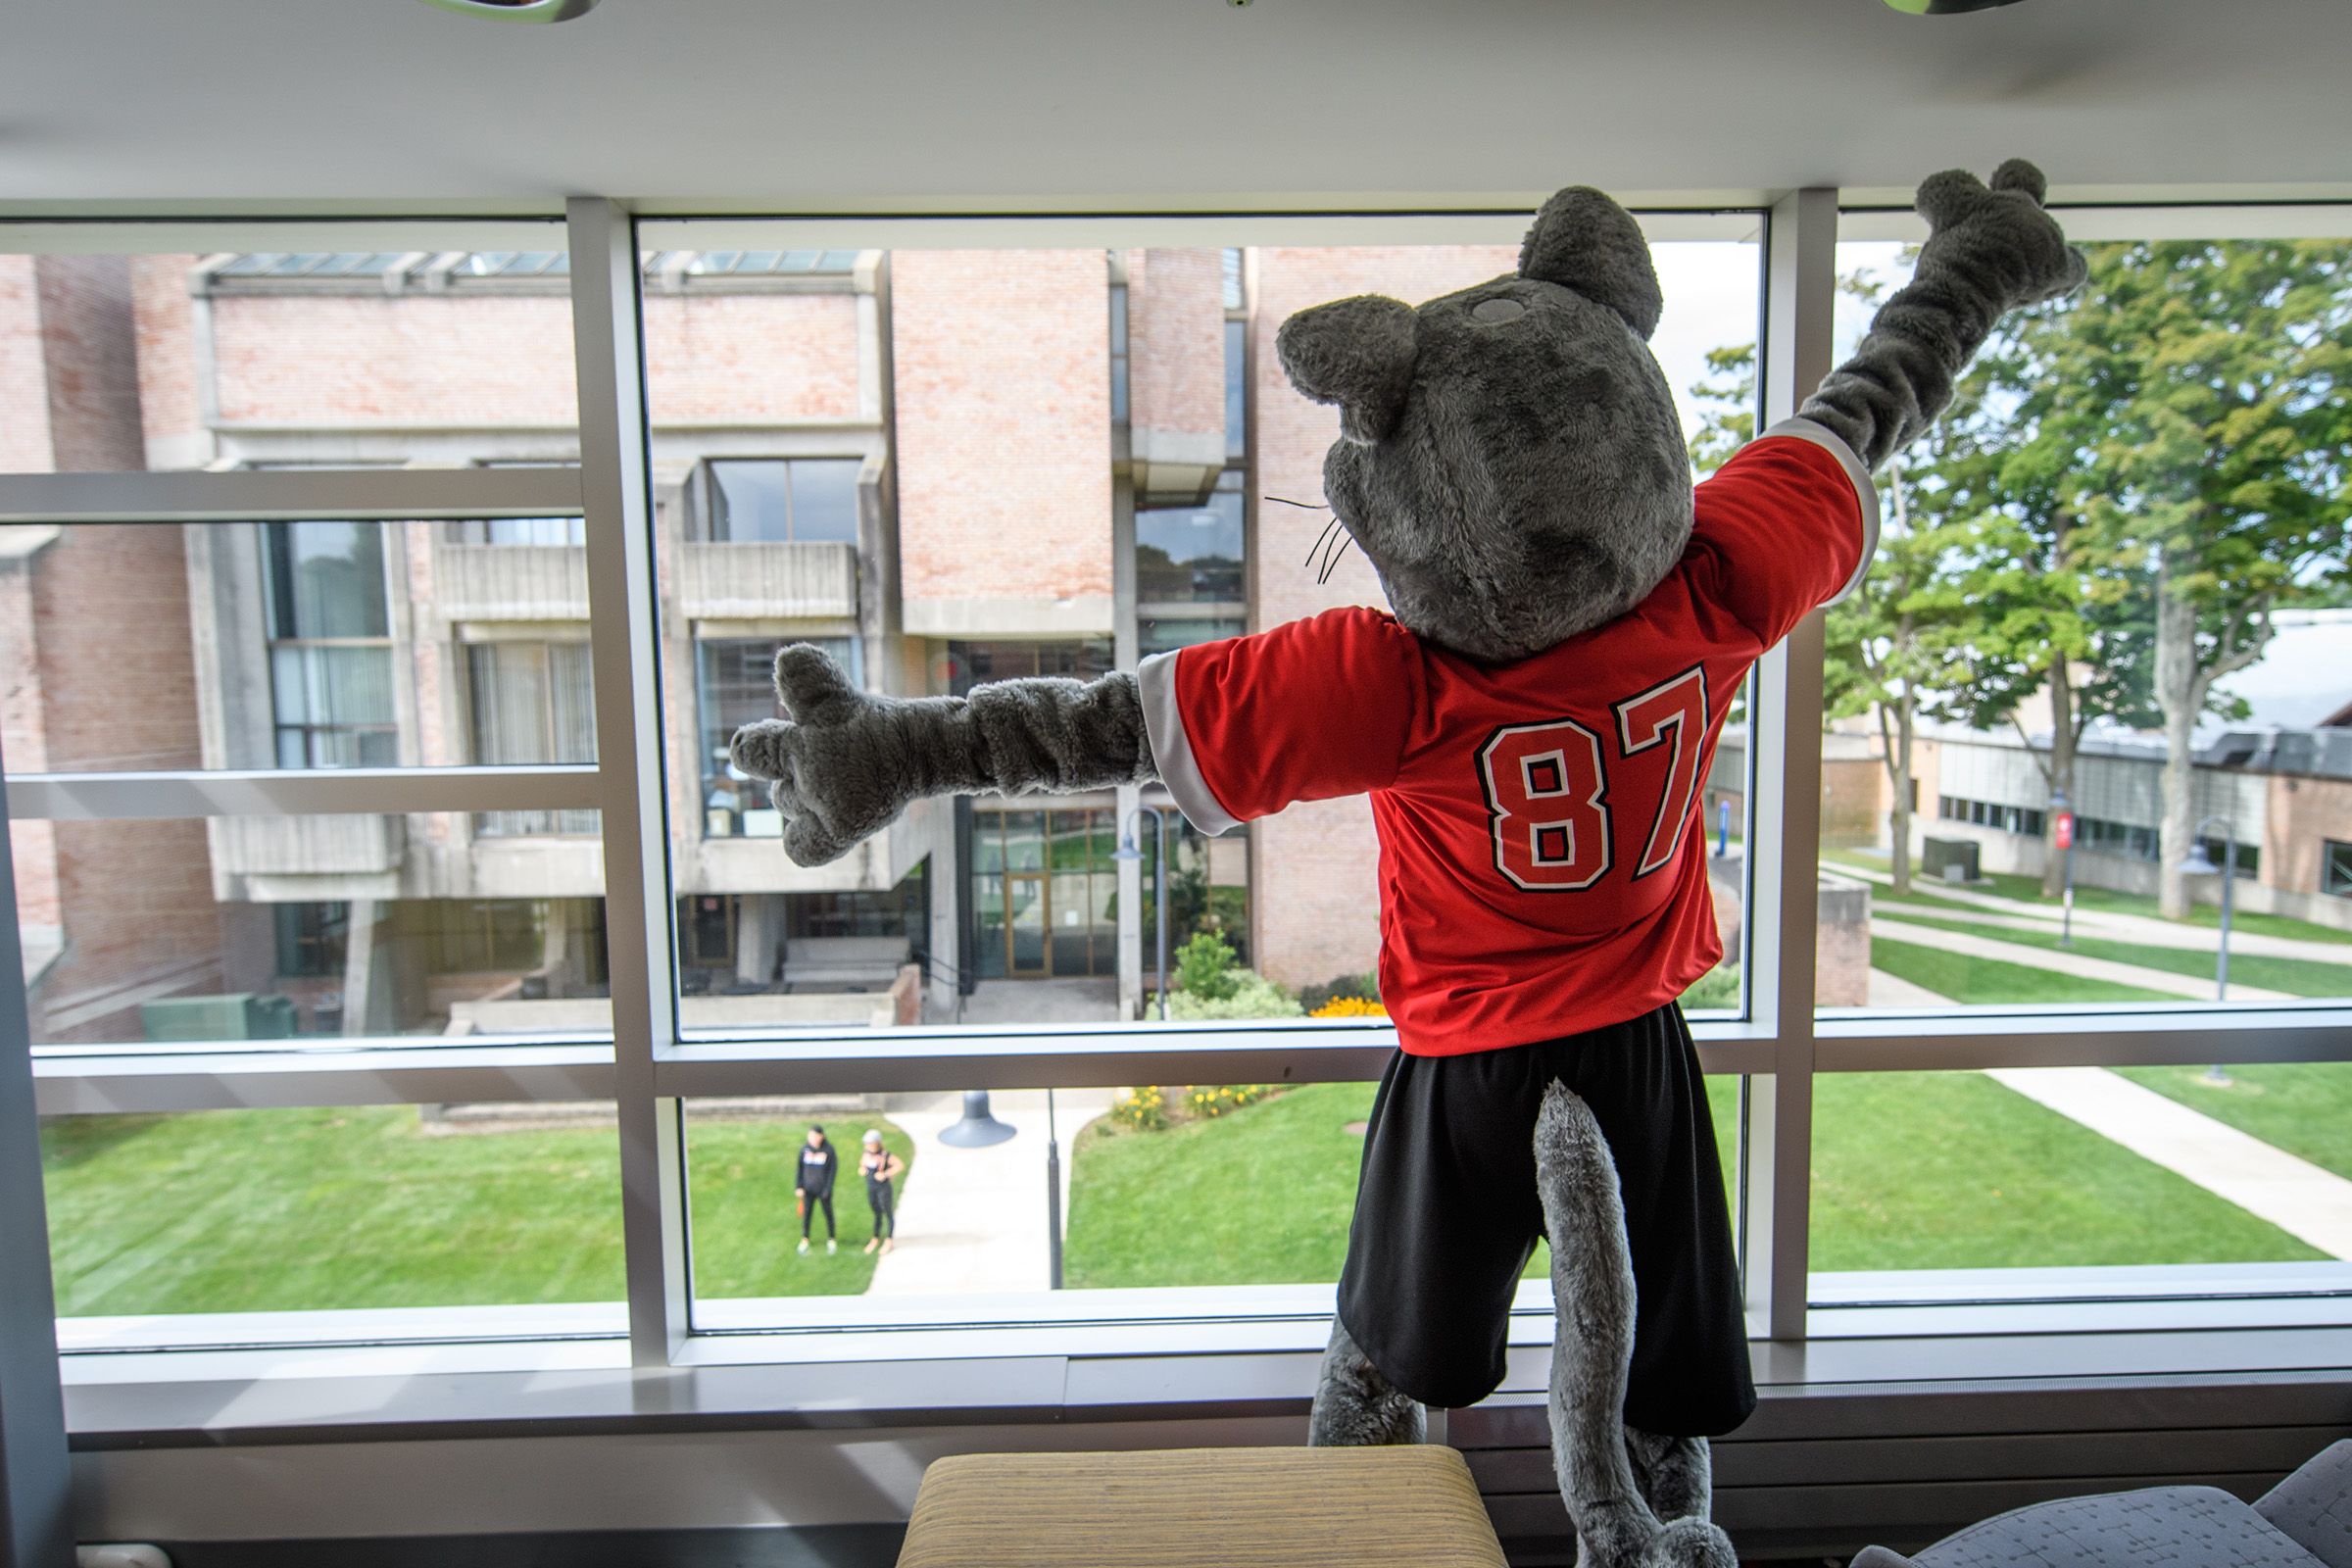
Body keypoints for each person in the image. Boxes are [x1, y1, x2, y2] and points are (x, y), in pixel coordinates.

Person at [858, 1129, 904, 1254]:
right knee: (876, 1212)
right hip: (871, 1187)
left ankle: (889, 1240)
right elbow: (863, 1163)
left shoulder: (885, 1156)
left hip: (883, 1188)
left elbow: (899, 1165)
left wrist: (885, 1174)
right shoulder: (866, 1154)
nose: (867, 1145)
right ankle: (875, 1237)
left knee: (887, 1212)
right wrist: (862, 1169)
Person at [794, 1125, 838, 1255]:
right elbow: (800, 1169)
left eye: (814, 1136)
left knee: (828, 1214)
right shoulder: (805, 1150)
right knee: (807, 1215)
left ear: (821, 1136)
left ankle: (831, 1238)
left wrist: (827, 1189)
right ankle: (805, 1238)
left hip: (823, 1190)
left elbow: (832, 1172)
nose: (812, 1139)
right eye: (810, 1136)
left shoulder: (828, 1151)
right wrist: (799, 1186)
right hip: (808, 1189)